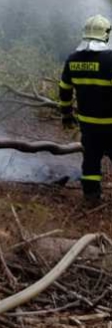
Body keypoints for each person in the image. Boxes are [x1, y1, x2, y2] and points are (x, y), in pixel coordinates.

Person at [59, 14, 112, 205]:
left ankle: (91, 197)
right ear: (106, 34)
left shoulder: (73, 59)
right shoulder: (110, 60)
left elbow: (64, 90)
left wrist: (66, 115)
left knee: (90, 161)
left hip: (88, 125)